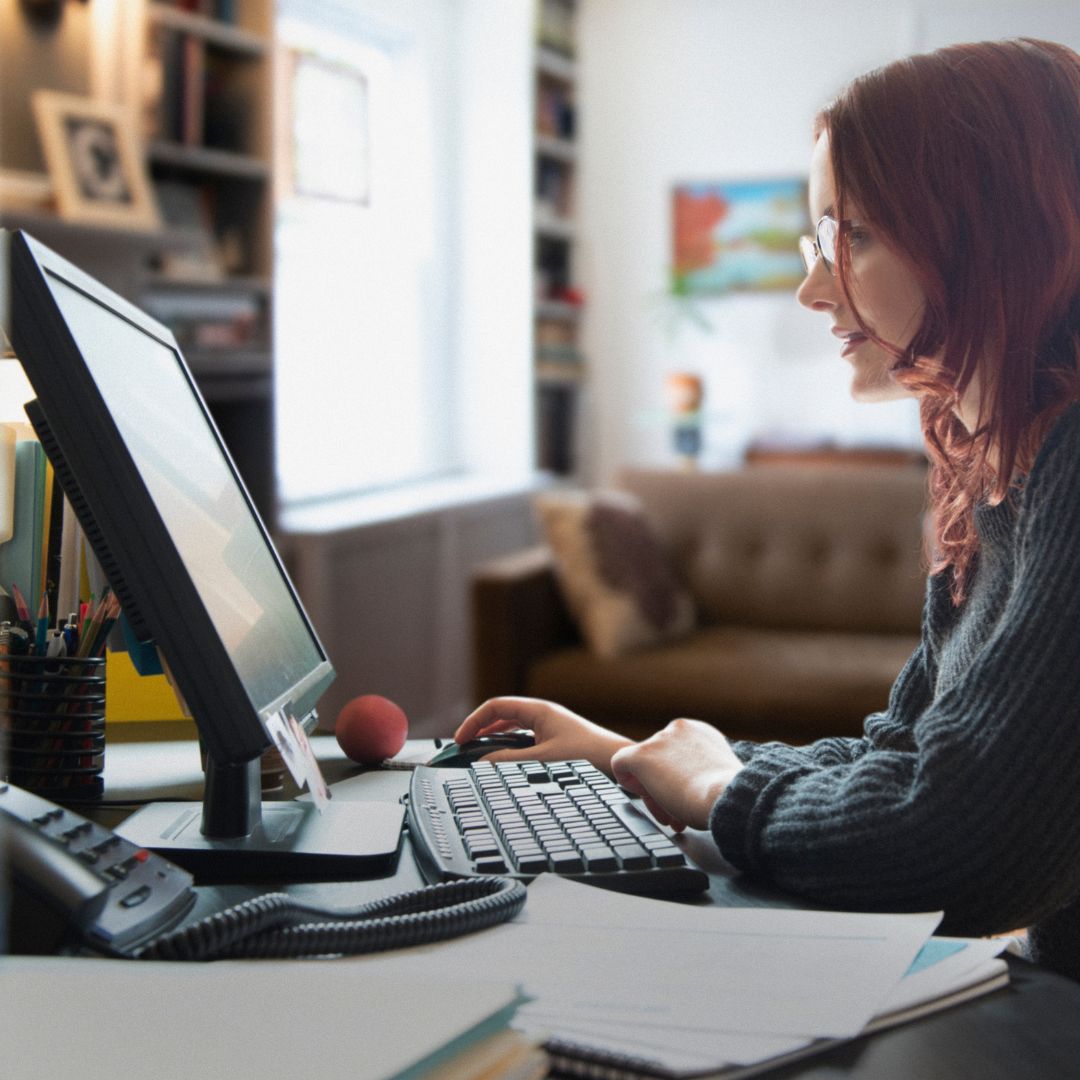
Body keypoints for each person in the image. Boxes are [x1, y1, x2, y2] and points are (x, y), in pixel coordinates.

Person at [455, 38, 1080, 982]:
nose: (814, 285)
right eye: (818, 239)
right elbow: (908, 755)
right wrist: (644, 763)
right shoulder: (1002, 479)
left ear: (989, 231)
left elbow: (956, 844)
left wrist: (715, 788)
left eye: (854, 235)